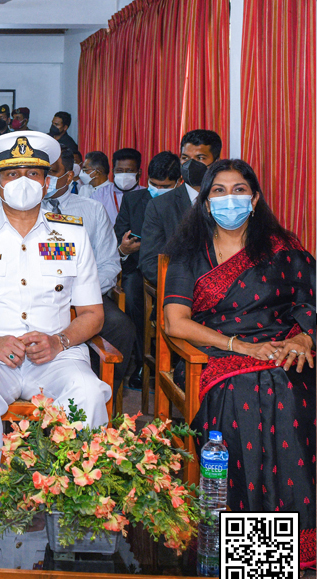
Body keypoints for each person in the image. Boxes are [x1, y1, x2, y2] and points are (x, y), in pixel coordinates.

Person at [0, 131, 109, 485]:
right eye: (12, 174)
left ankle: (72, 498)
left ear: (46, 183)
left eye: (33, 173)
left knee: (88, 393)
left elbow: (92, 314)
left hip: (57, 356)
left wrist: (60, 341)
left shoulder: (72, 235)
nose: (22, 182)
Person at [162, 158, 315, 567]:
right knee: (247, 395)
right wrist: (239, 347)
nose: (231, 199)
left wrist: (303, 335)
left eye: (239, 190)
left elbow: (310, 301)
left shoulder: (283, 250)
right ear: (206, 203)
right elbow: (175, 323)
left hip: (285, 352)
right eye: (219, 191)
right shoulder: (190, 254)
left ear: (255, 198)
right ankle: (252, 550)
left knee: (291, 393)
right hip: (219, 355)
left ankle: (299, 542)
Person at [43, 147, 134, 397]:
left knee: (121, 328)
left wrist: (80, 296)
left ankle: (96, 397)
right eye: (42, 173)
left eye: (52, 172)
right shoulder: (26, 208)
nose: (45, 179)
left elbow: (109, 264)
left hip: (84, 295)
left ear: (70, 176)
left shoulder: (92, 210)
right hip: (38, 295)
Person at [114, 151, 181, 388]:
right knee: (134, 298)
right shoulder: (133, 200)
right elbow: (117, 238)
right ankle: (144, 360)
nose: (157, 190)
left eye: (165, 186)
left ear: (178, 183)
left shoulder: (186, 203)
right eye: (154, 184)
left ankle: (175, 360)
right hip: (138, 269)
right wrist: (124, 248)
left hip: (176, 270)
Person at [139, 129, 222, 282]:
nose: (190, 164)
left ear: (216, 162)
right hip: (180, 291)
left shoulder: (228, 200)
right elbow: (150, 263)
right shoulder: (160, 206)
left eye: (200, 158)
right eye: (185, 158)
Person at [89, 147, 143, 225]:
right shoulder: (99, 195)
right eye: (119, 170)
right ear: (113, 171)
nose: (124, 174)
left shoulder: (146, 195)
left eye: (129, 171)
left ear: (139, 172)